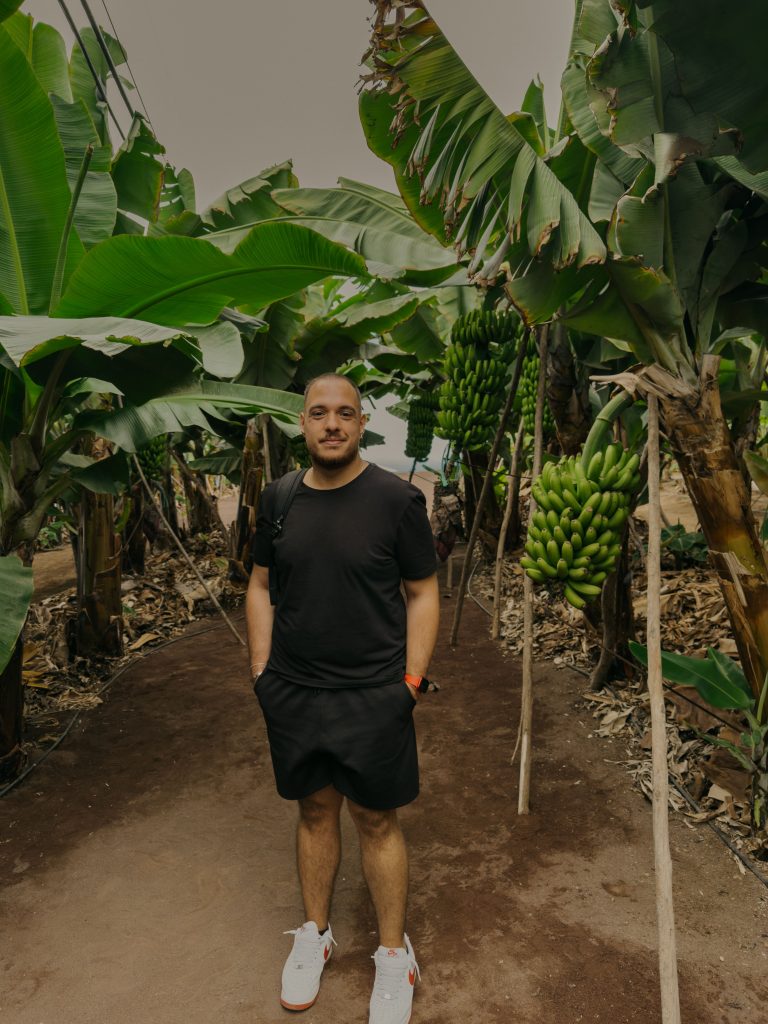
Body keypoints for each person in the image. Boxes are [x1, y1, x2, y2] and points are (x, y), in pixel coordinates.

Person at [246, 372, 439, 1024]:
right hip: (295, 692)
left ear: (361, 425)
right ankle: (315, 935)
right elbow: (259, 584)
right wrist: (261, 671)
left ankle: (392, 955)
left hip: (373, 694)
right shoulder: (277, 499)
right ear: (301, 422)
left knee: (377, 821)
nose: (332, 424)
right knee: (313, 811)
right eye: (319, 413)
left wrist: (408, 684)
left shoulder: (396, 501)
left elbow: (422, 592)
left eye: (345, 414)